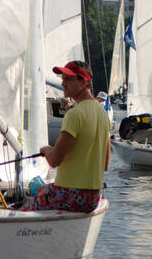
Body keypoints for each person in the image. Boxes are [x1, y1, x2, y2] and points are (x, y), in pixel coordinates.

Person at [22, 60, 109, 213]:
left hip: (69, 195)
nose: (63, 83)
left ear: (84, 82)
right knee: (42, 188)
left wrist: (47, 149)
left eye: (68, 79)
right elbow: (105, 164)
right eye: (62, 78)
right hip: (93, 198)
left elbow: (54, 161)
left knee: (22, 209)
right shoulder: (103, 114)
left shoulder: (74, 114)